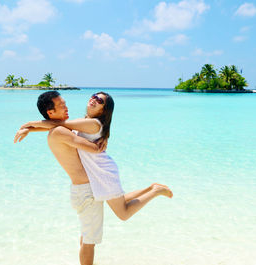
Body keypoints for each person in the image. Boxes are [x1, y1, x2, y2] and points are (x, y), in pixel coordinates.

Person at [14, 91, 173, 265]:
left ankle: (155, 190)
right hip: (93, 178)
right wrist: (29, 128)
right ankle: (153, 189)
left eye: (99, 100)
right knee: (111, 216)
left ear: (104, 110)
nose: (93, 100)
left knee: (118, 215)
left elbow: (59, 126)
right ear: (51, 112)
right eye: (93, 96)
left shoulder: (88, 124)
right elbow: (56, 126)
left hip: (99, 173)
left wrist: (28, 125)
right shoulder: (69, 127)